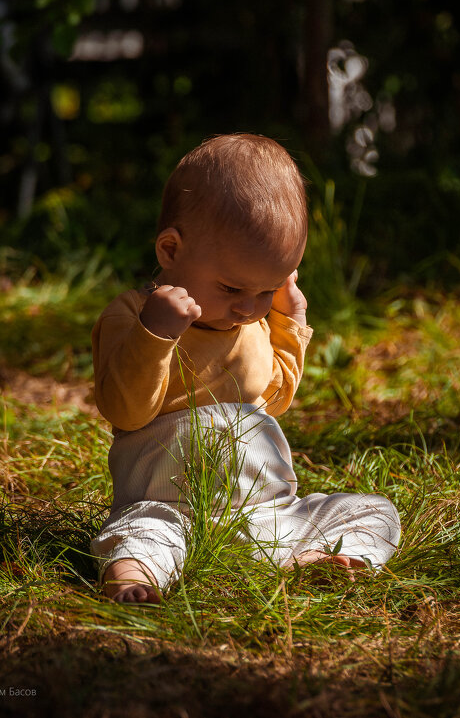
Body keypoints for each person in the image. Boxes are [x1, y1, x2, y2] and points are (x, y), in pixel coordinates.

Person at [90, 133, 401, 604]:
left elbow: (271, 400)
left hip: (266, 515)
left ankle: (316, 558)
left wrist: (289, 326)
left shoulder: (254, 320)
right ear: (170, 251)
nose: (250, 308)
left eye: (268, 288)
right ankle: (136, 577)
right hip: (168, 508)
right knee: (143, 534)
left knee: (374, 510)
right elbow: (125, 411)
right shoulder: (135, 318)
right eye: (233, 288)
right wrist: (156, 335)